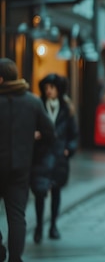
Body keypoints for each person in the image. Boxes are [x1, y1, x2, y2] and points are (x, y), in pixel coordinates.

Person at [0, 58, 56, 262]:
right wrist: (35, 142)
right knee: (17, 216)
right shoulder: (32, 102)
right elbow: (50, 133)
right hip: (20, 168)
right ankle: (16, 258)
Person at [30, 74, 78, 243]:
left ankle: (53, 226)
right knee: (39, 193)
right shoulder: (38, 105)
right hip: (41, 156)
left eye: (52, 87)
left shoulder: (67, 108)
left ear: (58, 88)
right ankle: (38, 227)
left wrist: (68, 149)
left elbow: (73, 134)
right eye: (46, 87)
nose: (48, 90)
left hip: (58, 158)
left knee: (56, 192)